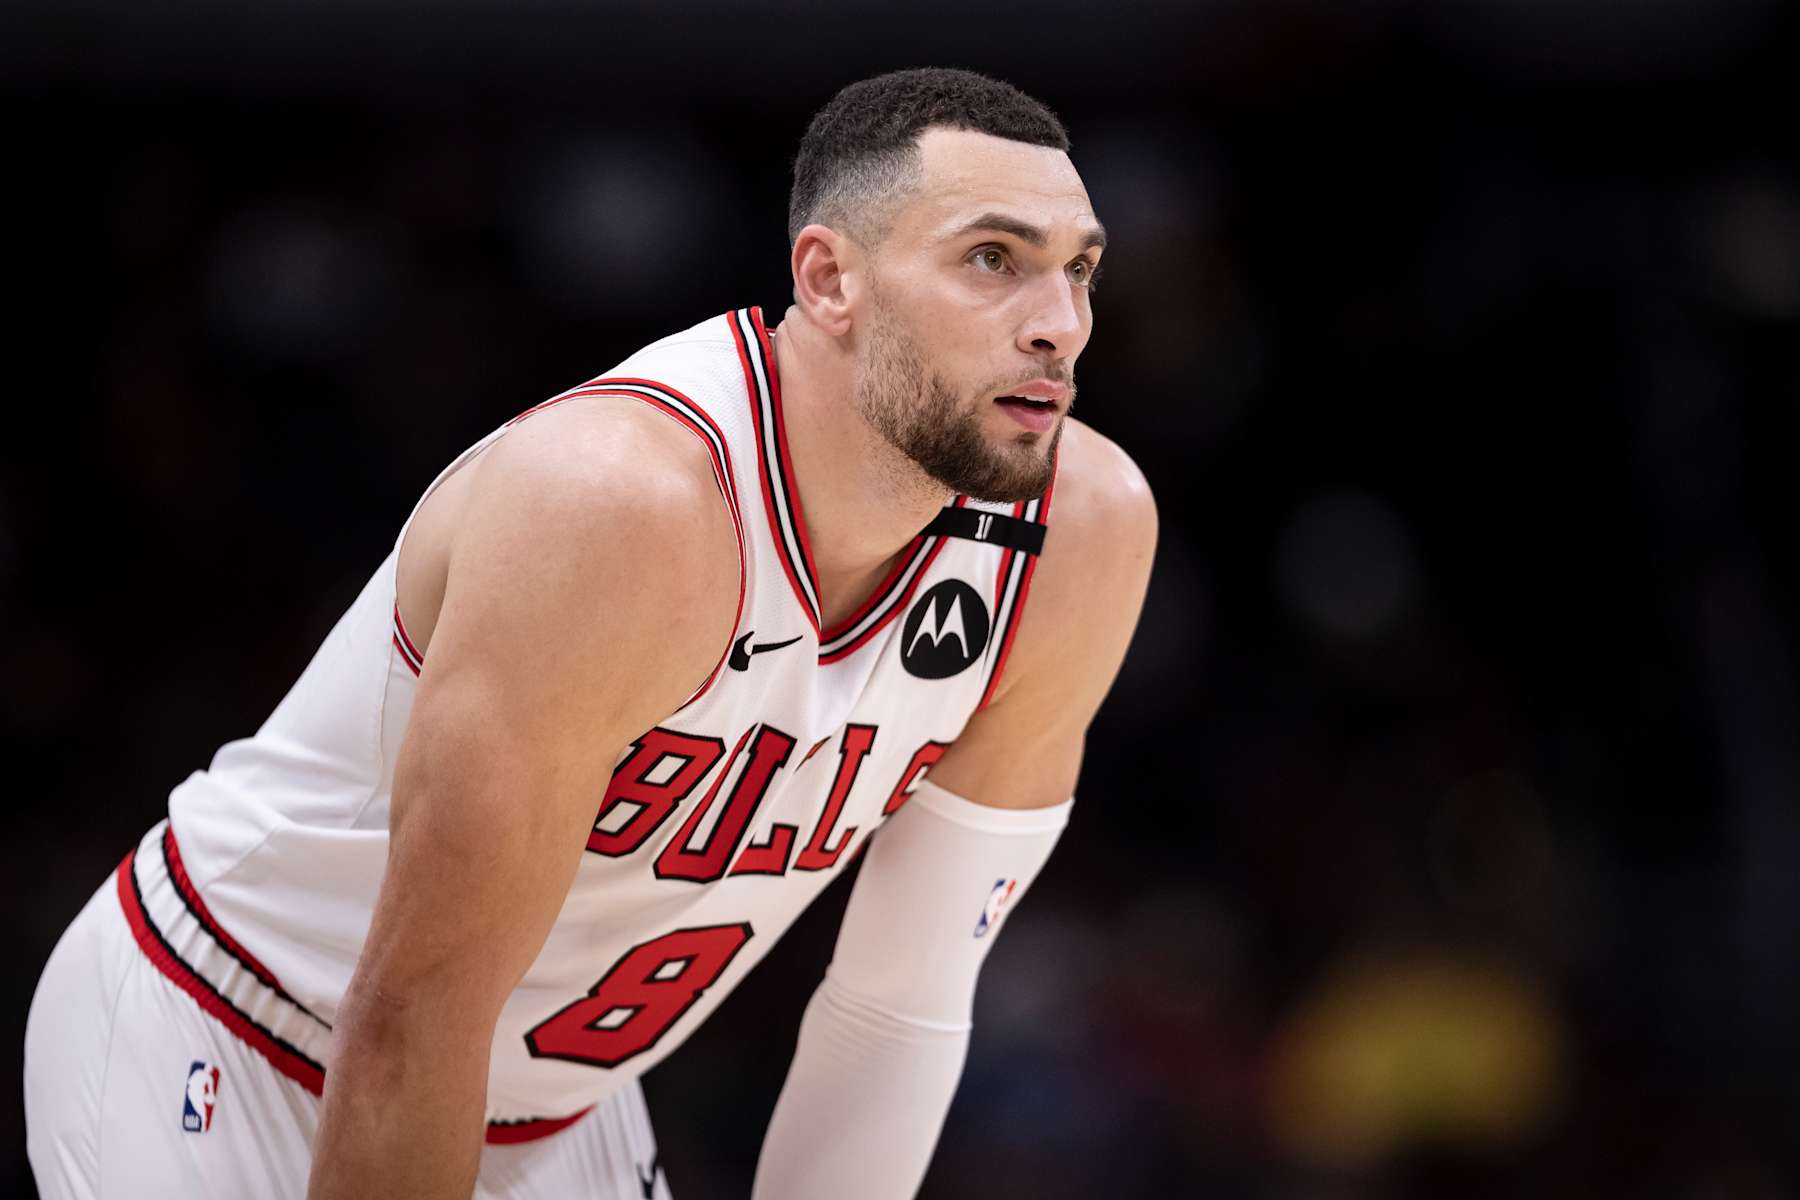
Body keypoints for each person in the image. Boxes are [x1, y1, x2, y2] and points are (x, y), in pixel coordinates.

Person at [24, 66, 1156, 1199]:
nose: (1059, 325)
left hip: (548, 1107)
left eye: (1079, 271)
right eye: (992, 260)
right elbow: (413, 1012)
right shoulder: (622, 508)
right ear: (828, 280)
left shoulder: (1083, 535)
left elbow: (897, 1006)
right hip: (229, 1023)